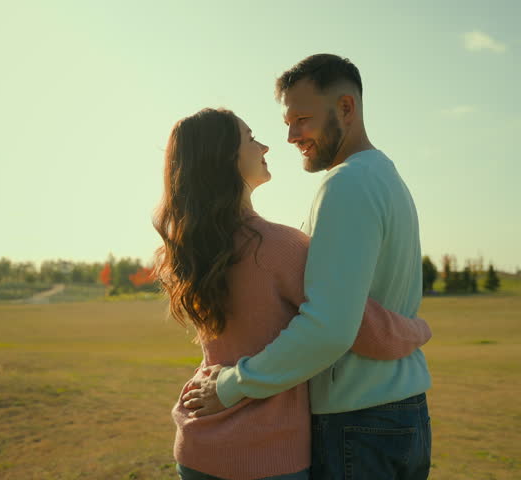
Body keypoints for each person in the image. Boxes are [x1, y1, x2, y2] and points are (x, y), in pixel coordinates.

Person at [181, 54, 433, 480]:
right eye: (287, 124)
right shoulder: (384, 177)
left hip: (358, 418)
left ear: (346, 108)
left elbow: (331, 324)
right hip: (398, 415)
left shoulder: (346, 183)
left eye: (302, 119)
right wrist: (413, 331)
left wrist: (229, 386)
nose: (292, 136)